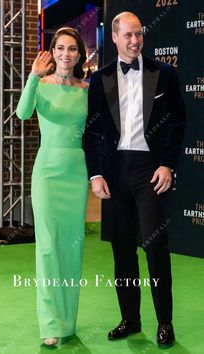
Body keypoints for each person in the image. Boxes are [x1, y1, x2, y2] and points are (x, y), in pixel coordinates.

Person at [84, 12, 185, 347]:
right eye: (127, 35)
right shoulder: (99, 79)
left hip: (149, 170)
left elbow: (176, 123)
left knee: (156, 246)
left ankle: (165, 323)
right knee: (122, 249)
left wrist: (168, 164)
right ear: (114, 37)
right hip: (115, 172)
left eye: (138, 34)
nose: (134, 40)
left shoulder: (164, 73)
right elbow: (94, 131)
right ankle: (130, 319)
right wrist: (96, 174)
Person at [16, 27, 88, 346]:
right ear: (52, 51)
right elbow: (22, 113)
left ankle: (68, 322)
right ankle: (49, 324)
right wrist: (32, 76)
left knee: (72, 246)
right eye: (60, 48)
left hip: (76, 172)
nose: (65, 54)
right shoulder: (41, 85)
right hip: (46, 172)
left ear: (79, 54)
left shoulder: (88, 89)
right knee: (46, 246)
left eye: (72, 49)